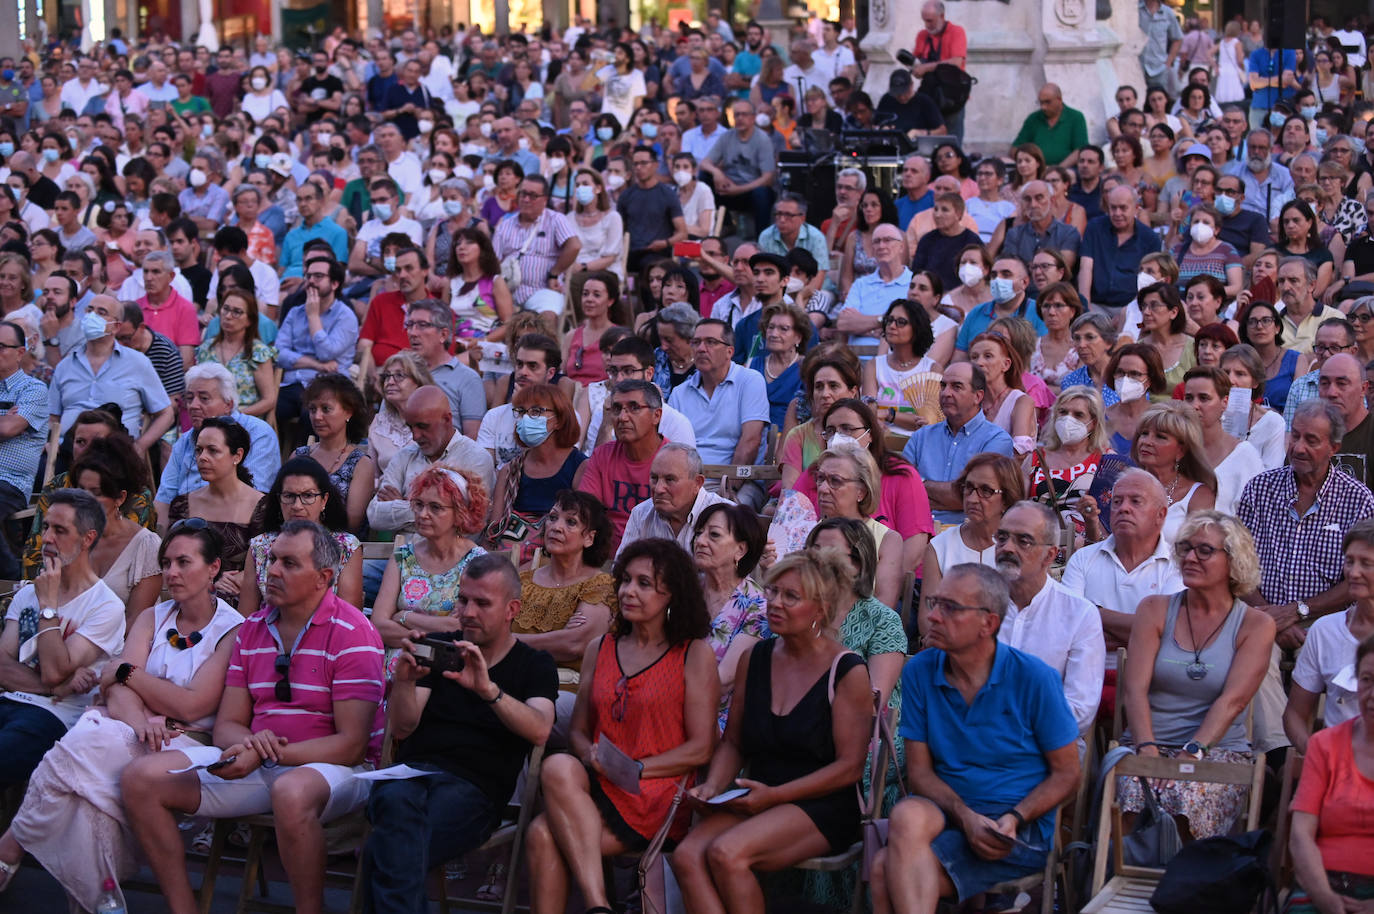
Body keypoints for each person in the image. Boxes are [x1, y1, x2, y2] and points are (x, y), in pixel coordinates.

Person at [121, 521, 384, 914]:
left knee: (291, 792)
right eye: (272, 559)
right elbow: (228, 723)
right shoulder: (252, 630)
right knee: (141, 780)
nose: (272, 571)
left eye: (289, 563)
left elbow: (350, 745)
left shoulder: (353, 632)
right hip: (261, 762)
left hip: (335, 769)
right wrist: (246, 747)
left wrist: (262, 754)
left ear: (323, 578)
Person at [0, 523, 240, 908]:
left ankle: (14, 845)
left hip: (188, 744)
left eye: (183, 562)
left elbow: (193, 705)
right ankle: (100, 899)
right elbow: (115, 689)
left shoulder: (232, 630)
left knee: (90, 734)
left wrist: (131, 678)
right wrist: (141, 719)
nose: (172, 572)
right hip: (141, 731)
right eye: (166, 563)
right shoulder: (152, 617)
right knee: (90, 773)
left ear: (213, 568)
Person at [869, 562, 1080, 914]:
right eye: (934, 603)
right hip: (949, 814)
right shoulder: (921, 670)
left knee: (881, 869)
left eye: (950, 608)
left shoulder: (1034, 678)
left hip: (1012, 828)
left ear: (989, 623)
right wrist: (965, 816)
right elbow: (919, 775)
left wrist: (1015, 817)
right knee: (906, 815)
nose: (933, 616)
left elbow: (1068, 774)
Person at [671, 545, 873, 911]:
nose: (775, 603)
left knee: (726, 853)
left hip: (820, 804)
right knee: (686, 856)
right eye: (773, 592)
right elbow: (733, 742)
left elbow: (849, 767)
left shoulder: (847, 671)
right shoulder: (756, 657)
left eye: (791, 596)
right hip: (755, 796)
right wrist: (714, 786)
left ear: (821, 608)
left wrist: (775, 796)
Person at [526, 537, 718, 914]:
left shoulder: (693, 653)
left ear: (672, 595)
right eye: (626, 580)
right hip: (601, 780)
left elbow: (700, 748)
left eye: (644, 583)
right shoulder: (601, 646)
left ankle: (598, 906)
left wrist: (640, 768)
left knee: (541, 834)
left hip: (658, 789)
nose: (629, 591)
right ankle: (600, 905)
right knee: (559, 763)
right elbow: (580, 730)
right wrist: (590, 753)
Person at [361, 551, 557, 914]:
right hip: (411, 774)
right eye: (463, 599)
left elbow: (541, 729)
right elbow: (404, 726)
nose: (467, 612)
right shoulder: (442, 649)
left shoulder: (533, 664)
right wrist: (403, 684)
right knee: (394, 808)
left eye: (482, 603)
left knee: (383, 848)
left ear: (512, 609)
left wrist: (488, 691)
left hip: (474, 790)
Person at [1118, 510, 1275, 838]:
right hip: (1149, 742)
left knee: (1184, 802)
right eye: (1185, 548)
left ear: (1234, 560)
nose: (1190, 557)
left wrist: (1193, 751)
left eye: (1204, 550)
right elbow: (1134, 689)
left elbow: (1233, 701)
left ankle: (1186, 886)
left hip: (1216, 751)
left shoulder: (1256, 625)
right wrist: (1147, 748)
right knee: (1131, 802)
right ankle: (1119, 883)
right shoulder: (1154, 609)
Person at [0, 488, 125, 788]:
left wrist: (48, 606)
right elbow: (3, 666)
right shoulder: (29, 592)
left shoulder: (106, 606)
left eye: (59, 530)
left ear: (87, 538)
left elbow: (55, 667)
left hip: (54, 718)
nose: (46, 539)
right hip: (9, 701)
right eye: (45, 527)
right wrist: (58, 686)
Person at [993, 500, 1105, 733]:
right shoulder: (973, 601)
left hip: (1045, 749)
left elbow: (1079, 710)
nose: (1007, 548)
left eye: (1023, 541)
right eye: (1002, 538)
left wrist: (1015, 731)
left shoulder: (1079, 615)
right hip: (975, 744)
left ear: (1049, 555)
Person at [1286, 630, 1374, 914]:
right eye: (1366, 680)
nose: (1372, 695)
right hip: (1322, 884)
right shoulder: (1325, 745)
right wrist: (1325, 898)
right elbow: (1301, 834)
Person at [514, 490, 616, 720]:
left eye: (570, 522)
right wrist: (554, 639)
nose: (556, 527)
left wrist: (507, 642)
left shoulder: (599, 584)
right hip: (511, 679)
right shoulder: (522, 580)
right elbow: (490, 627)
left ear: (589, 538)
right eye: (552, 517)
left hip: (566, 691)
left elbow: (574, 644)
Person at [371, 464, 489, 652]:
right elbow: (378, 624)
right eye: (419, 504)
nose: (423, 514)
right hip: (395, 666)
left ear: (460, 514)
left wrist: (404, 616)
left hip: (446, 668)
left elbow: (461, 629)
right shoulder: (403, 557)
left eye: (436, 507)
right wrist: (432, 635)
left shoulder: (477, 563)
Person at [1282, 518, 1374, 755]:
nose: (1353, 572)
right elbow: (1294, 715)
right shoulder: (1325, 630)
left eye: (1366, 563)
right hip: (1338, 767)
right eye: (1349, 561)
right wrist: (1316, 756)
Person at [238, 459, 364, 620]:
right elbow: (246, 619)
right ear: (279, 499)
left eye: (308, 495)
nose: (297, 505)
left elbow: (350, 618)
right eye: (289, 496)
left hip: (329, 639)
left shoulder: (346, 546)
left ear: (324, 500)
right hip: (269, 639)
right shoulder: (260, 547)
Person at [154, 363, 280, 523]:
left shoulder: (257, 434)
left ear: (229, 404)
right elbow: (164, 500)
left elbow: (255, 500)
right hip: (185, 531)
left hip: (236, 528)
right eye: (190, 398)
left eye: (204, 398)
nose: (193, 406)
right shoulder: (185, 440)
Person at [48, 294, 174, 453]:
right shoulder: (65, 365)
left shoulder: (137, 363)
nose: (92, 316)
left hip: (116, 451)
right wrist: (50, 442)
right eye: (89, 310)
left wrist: (140, 446)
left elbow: (166, 414)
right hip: (68, 450)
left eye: (101, 312)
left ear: (116, 326)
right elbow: (52, 417)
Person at [367, 386, 496, 537]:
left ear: (447, 419)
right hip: (400, 556)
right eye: (410, 427)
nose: (415, 436)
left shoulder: (476, 458)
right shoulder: (404, 456)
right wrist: (437, 509)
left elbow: (468, 522)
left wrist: (402, 505)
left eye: (423, 426)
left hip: (454, 558)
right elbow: (374, 515)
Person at [920, 454, 1022, 634]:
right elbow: (928, 620)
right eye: (969, 488)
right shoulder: (940, 547)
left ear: (1006, 499)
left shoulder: (1019, 550)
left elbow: (1023, 620)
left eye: (986, 491)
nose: (973, 499)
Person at [69, 435, 163, 629]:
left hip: (121, 650)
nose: (83, 500)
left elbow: (134, 622)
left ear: (119, 498)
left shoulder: (145, 546)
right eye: (80, 490)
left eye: (95, 493)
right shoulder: (68, 538)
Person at [903, 363, 1015, 524]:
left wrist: (919, 485)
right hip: (919, 530)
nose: (946, 393)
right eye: (943, 386)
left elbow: (974, 497)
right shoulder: (921, 436)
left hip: (969, 537)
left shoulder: (997, 440)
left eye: (956, 387)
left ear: (978, 396)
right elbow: (901, 490)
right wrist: (955, 494)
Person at [691, 501, 769, 724]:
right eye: (699, 533)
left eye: (713, 535)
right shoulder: (684, 590)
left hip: (719, 722)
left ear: (740, 550)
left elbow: (724, 679)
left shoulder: (756, 605)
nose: (701, 541)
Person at [274, 260, 358, 443]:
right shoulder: (295, 313)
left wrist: (313, 317)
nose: (310, 281)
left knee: (311, 416)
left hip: (329, 385)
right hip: (293, 383)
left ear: (335, 284)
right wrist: (316, 364)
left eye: (318, 276)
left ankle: (303, 465)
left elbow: (328, 353)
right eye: (308, 276)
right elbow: (278, 354)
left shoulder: (345, 316)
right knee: (270, 409)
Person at [490, 382, 587, 524]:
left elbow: (581, 525)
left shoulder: (580, 467)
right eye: (522, 412)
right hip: (511, 545)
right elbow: (494, 531)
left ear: (559, 420)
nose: (526, 418)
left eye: (536, 412)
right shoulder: (509, 471)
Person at [1181, 367, 1267, 514]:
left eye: (1204, 398)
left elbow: (1257, 514)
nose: (1194, 405)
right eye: (1189, 398)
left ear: (1224, 402)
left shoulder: (1245, 455)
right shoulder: (1176, 449)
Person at [195, 287, 277, 419]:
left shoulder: (257, 352)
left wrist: (236, 416)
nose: (228, 316)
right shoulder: (206, 348)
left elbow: (269, 400)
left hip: (243, 421)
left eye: (237, 312)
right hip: (207, 419)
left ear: (249, 320)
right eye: (225, 309)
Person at [702, 98, 777, 234]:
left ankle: (762, 238)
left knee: (762, 193)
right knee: (704, 177)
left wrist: (739, 189)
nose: (740, 118)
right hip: (728, 188)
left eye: (744, 114)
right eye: (737, 115)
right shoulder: (727, 136)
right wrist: (717, 173)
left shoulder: (762, 140)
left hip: (750, 190)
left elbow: (768, 178)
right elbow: (705, 163)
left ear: (753, 117)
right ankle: (722, 225)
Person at [367, 352, 433, 477]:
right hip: (386, 494)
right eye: (387, 376)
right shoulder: (379, 423)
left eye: (399, 375)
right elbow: (372, 477)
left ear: (418, 382)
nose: (390, 382)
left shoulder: (434, 421)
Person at [1012, 84, 1088, 167]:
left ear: (1059, 99)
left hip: (1067, 170)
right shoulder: (1033, 119)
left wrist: (1058, 170)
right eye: (1041, 103)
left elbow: (1080, 150)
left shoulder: (1076, 117)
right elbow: (1016, 148)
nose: (1043, 107)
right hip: (1036, 170)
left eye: (1047, 102)